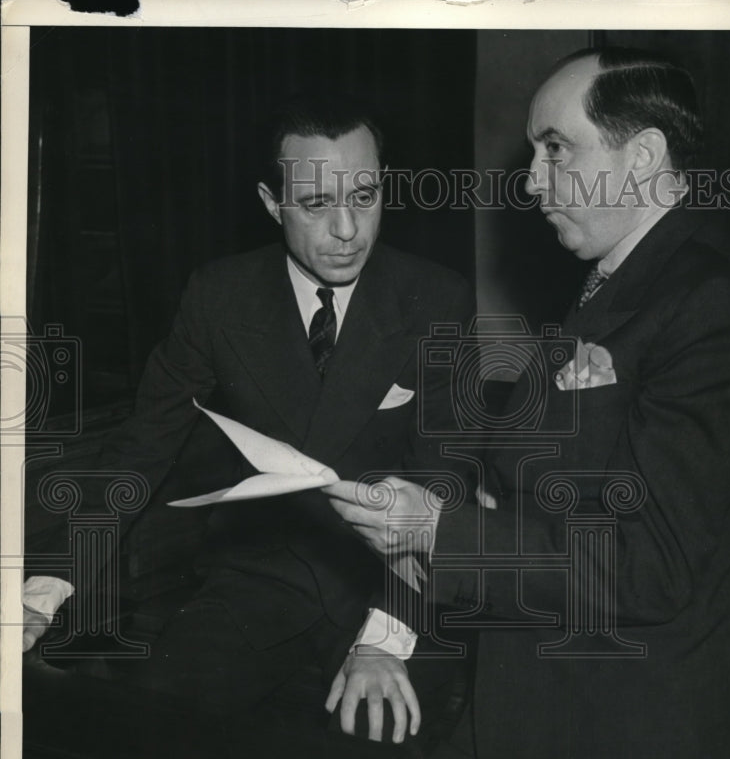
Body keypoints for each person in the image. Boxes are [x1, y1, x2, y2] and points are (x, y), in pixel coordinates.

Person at [325, 48, 730, 759]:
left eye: (556, 150)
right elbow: (547, 490)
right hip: (530, 723)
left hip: (618, 758)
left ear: (642, 158)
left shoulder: (713, 308)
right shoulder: (608, 287)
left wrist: (437, 533)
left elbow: (646, 569)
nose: (531, 182)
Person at [23, 94, 474, 723]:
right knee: (155, 737)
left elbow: (443, 479)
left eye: (365, 197)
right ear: (272, 203)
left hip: (395, 584)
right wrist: (43, 590)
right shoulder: (219, 297)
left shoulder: (438, 299)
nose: (348, 230)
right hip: (261, 577)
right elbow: (139, 449)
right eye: (317, 204)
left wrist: (384, 640)